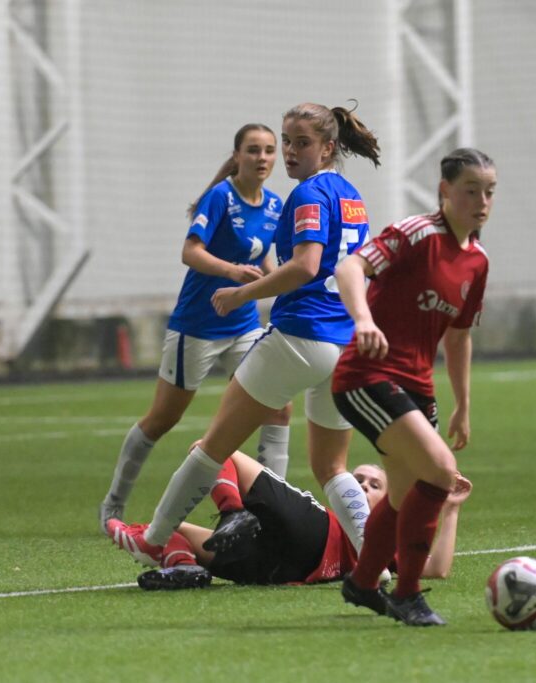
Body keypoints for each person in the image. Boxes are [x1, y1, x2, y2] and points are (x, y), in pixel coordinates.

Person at [110, 102, 381, 564]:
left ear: (328, 148)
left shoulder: (309, 194)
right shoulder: (351, 194)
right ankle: (374, 562)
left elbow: (306, 266)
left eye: (301, 143)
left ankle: (154, 539)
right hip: (344, 345)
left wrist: (242, 294)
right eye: (287, 141)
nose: (289, 152)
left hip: (301, 334)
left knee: (214, 446)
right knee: (333, 468)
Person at [98, 124, 293, 534]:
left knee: (277, 406)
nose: (262, 158)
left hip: (244, 324)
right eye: (253, 150)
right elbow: (190, 252)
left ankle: (276, 511)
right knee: (162, 419)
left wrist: (284, 285)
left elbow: (265, 260)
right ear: (237, 156)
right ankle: (113, 503)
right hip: (198, 327)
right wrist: (232, 272)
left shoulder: (275, 205)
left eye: (269, 150)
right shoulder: (220, 196)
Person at [331, 148, 494, 626]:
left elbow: (458, 336)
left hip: (417, 388)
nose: (482, 201)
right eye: (471, 191)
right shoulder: (416, 233)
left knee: (404, 496)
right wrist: (363, 319)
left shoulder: (477, 261)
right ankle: (406, 594)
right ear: (445, 192)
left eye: (489, 192)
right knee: (441, 472)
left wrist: (463, 404)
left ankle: (363, 583)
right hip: (367, 376)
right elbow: (349, 268)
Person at [106, 451, 471, 589]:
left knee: (213, 447)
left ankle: (232, 511)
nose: (362, 485)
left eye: (374, 485)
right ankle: (185, 568)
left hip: (313, 535)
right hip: (276, 569)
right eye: (357, 479)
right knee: (171, 530)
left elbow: (436, 569)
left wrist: (451, 508)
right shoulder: (372, 538)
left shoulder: (382, 534)